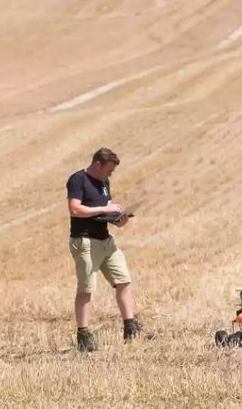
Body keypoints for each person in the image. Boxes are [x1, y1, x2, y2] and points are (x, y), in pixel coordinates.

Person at [66, 148, 145, 351]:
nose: (110, 175)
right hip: (85, 241)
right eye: (108, 170)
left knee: (124, 280)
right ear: (97, 164)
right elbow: (75, 209)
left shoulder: (103, 182)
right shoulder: (78, 179)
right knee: (86, 289)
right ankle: (84, 335)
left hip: (105, 240)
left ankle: (130, 328)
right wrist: (104, 209)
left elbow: (105, 206)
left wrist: (119, 218)